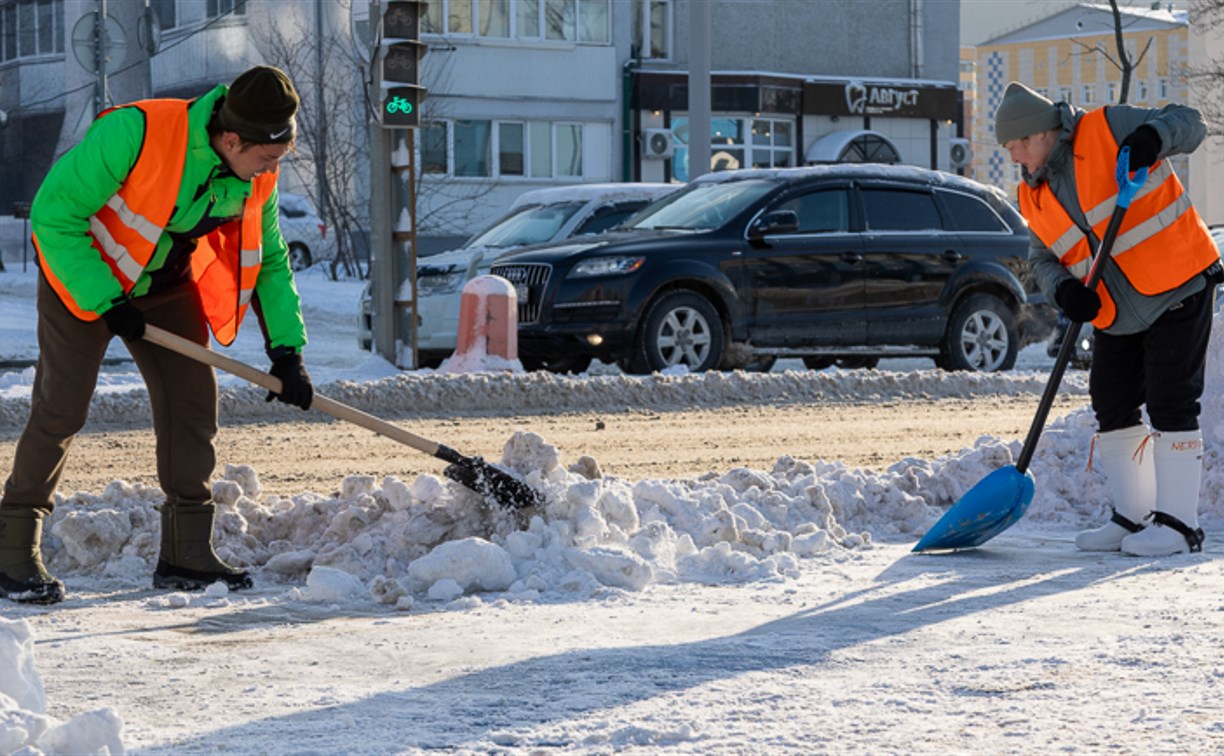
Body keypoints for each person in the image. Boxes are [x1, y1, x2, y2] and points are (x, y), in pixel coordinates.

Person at [0, 66, 316, 604]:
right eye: (266, 159)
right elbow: (54, 216)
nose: (270, 171)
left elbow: (269, 262)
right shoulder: (138, 133)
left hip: (163, 283)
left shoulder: (255, 170)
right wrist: (106, 299)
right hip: (83, 273)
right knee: (62, 408)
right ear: (232, 138)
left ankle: (185, 554)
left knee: (192, 403)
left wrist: (287, 351)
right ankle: (10, 552)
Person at [995, 81, 1222, 557]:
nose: (1013, 155)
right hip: (1114, 310)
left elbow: (1192, 122)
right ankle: (1133, 518)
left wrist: (1153, 137)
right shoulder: (1032, 193)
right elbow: (1042, 257)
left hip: (1177, 283)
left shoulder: (1107, 128)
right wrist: (1065, 290)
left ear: (1040, 133)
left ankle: (1179, 526)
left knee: (1171, 399)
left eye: (1015, 144)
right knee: (1111, 400)